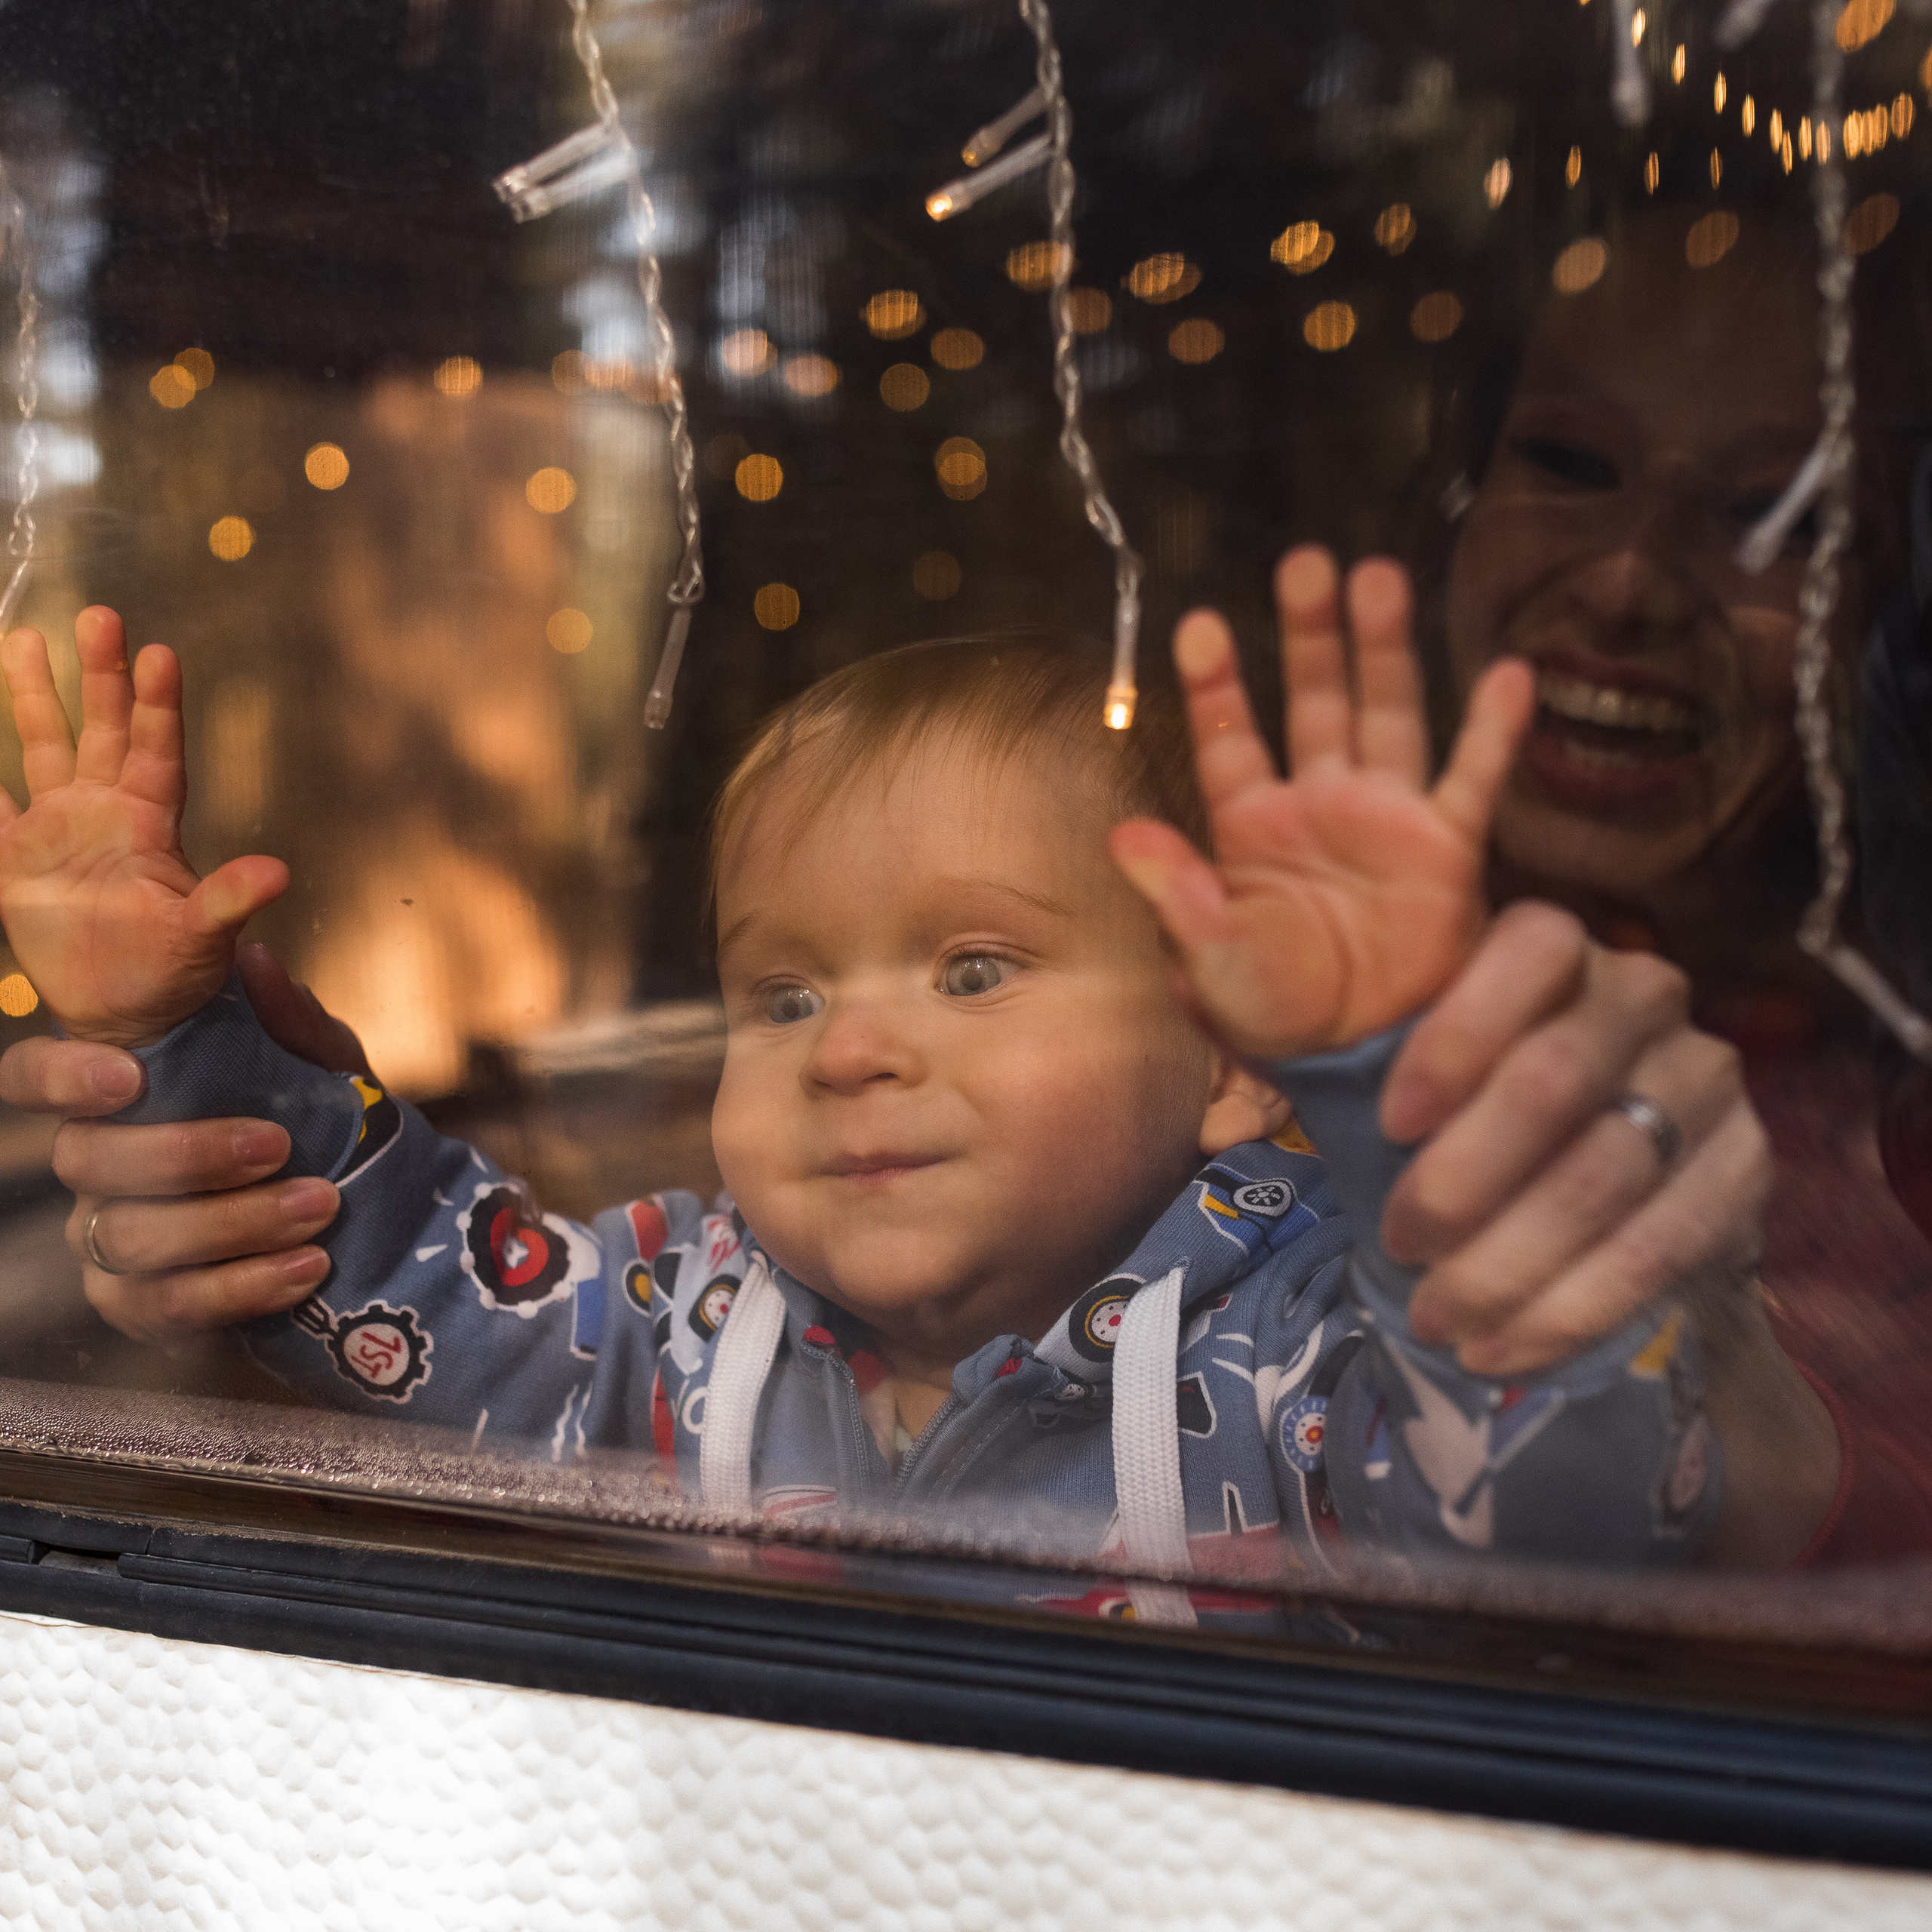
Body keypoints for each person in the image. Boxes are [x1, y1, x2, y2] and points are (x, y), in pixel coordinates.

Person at [0, 555, 1835, 1586]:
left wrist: (1399, 1099)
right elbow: (395, 1272)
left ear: (1221, 1062)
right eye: (782, 996)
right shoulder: (688, 1309)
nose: (855, 1047)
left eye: (973, 968)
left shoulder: (1295, 1353)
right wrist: (174, 1041)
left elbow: (1561, 1503)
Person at [1433, 202, 1932, 1555]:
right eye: (1569, 461)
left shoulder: (1896, 1123)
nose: (1630, 580)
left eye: (1780, 515)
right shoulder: (1225, 1012)